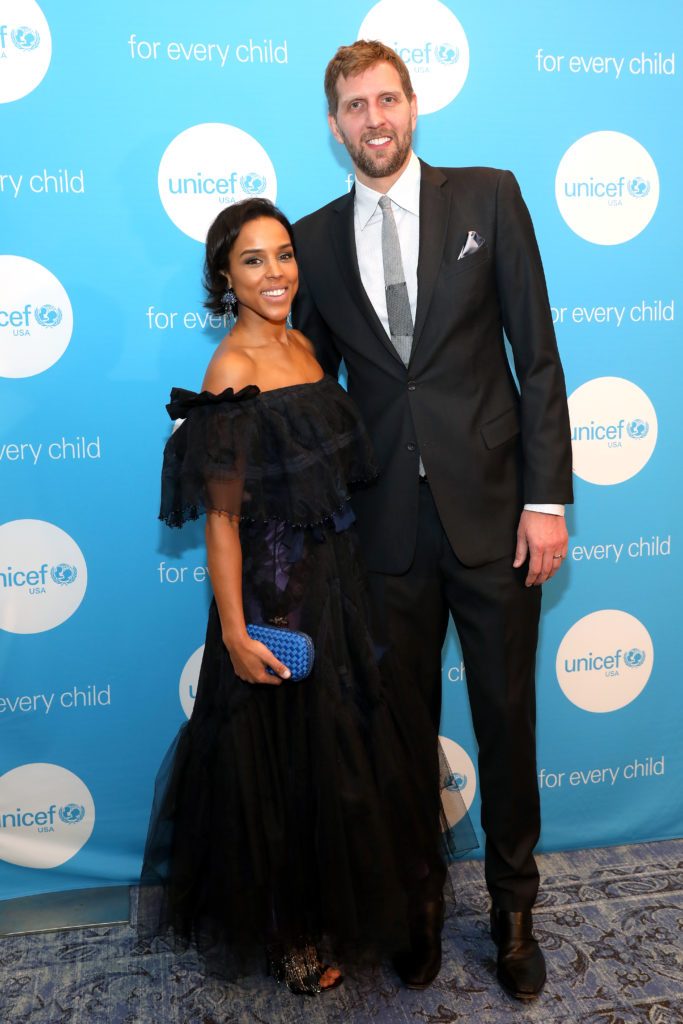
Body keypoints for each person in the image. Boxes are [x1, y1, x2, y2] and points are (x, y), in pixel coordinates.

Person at [292, 40, 574, 999]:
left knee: (505, 719)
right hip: (382, 534)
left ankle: (511, 910)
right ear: (334, 127)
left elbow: (535, 357)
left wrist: (546, 502)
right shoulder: (316, 238)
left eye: (386, 100)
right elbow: (316, 390)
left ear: (413, 107)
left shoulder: (488, 197)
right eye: (353, 107)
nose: (373, 120)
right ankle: (413, 908)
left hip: (497, 518)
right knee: (398, 737)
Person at [140, 197, 473, 996]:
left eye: (282, 254)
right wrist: (233, 630)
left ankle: (338, 913)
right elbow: (222, 520)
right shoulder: (231, 370)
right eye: (252, 260)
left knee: (344, 766)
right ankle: (293, 932)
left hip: (338, 586)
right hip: (275, 600)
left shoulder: (300, 344)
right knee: (285, 774)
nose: (274, 272)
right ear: (224, 276)